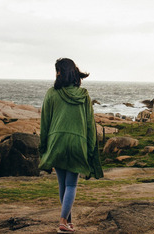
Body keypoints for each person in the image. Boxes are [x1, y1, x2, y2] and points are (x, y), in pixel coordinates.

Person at [39, 58, 103, 233]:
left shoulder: (52, 93)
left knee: (63, 185)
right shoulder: (83, 95)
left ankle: (66, 221)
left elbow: (45, 122)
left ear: (61, 72)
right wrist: (90, 148)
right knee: (71, 185)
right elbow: (91, 125)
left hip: (56, 142)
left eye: (57, 70)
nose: (56, 74)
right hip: (77, 143)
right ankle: (64, 221)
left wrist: (43, 146)